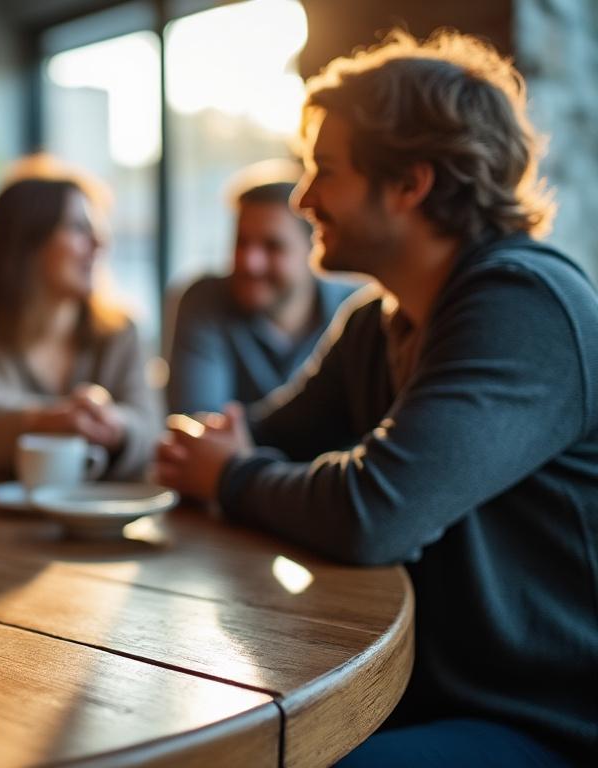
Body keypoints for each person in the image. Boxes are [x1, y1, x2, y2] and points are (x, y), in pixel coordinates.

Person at [155, 31, 597, 766]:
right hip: (412, 687)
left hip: (546, 719)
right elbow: (262, 433)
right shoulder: (376, 319)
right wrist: (155, 443)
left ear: (410, 184)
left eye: (324, 170)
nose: (303, 198)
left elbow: (373, 514)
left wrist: (229, 476)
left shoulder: (525, 306)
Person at [0, 174, 158, 480]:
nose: (100, 243)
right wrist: (57, 420)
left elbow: (150, 429)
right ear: (26, 244)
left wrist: (116, 426)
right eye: (78, 228)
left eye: (96, 229)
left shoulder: (118, 336)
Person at [165, 169, 358, 414]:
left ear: (315, 247)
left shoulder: (355, 308)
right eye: (242, 242)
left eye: (272, 246)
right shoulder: (205, 300)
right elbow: (197, 421)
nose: (250, 263)